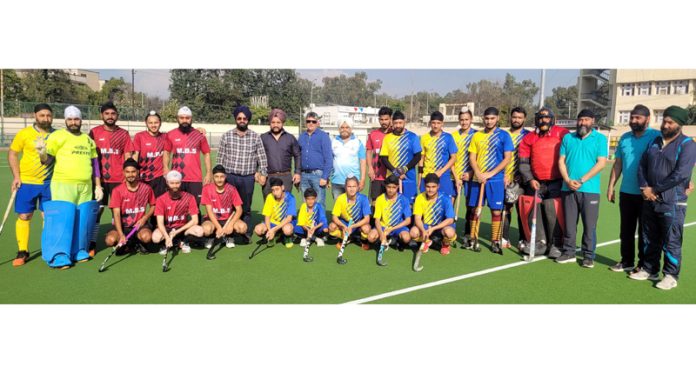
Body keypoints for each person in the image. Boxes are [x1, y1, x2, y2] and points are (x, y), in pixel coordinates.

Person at [631, 105, 696, 290]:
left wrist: (655, 190)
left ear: (680, 125)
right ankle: (649, 269)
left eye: (670, 122)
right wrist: (645, 187)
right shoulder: (655, 142)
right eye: (664, 121)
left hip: (672, 201)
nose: (665, 125)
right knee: (648, 236)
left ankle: (670, 275)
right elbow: (642, 166)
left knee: (671, 240)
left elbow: (681, 174)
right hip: (649, 199)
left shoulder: (688, 145)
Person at [38, 106, 101, 267]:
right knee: (63, 219)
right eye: (70, 119)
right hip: (63, 184)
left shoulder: (88, 140)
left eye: (76, 119)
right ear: (65, 120)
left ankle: (78, 250)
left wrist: (98, 186)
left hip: (85, 186)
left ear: (81, 120)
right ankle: (58, 254)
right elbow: (47, 161)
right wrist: (42, 153)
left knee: (82, 219)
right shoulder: (57, 136)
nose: (73, 122)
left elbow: (95, 164)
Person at [606, 104, 661, 273]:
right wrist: (611, 187)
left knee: (645, 232)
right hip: (627, 192)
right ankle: (627, 261)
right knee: (626, 230)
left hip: (647, 193)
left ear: (647, 119)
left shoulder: (656, 136)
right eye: (632, 117)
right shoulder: (625, 138)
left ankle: (643, 264)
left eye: (638, 117)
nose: (633, 120)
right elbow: (618, 164)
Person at [557, 109, 608, 268]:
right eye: (580, 119)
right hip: (568, 188)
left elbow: (601, 163)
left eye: (586, 119)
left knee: (589, 225)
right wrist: (567, 179)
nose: (582, 123)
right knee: (569, 223)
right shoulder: (568, 138)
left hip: (590, 190)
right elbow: (561, 161)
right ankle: (569, 252)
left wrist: (581, 180)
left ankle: (588, 255)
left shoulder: (599, 139)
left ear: (592, 121)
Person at [518, 107, 570, 257]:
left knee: (552, 210)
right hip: (536, 182)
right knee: (533, 209)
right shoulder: (528, 138)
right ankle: (539, 242)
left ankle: (556, 243)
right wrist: (530, 179)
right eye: (540, 118)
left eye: (546, 118)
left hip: (557, 181)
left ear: (552, 119)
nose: (543, 121)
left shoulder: (563, 134)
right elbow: (523, 163)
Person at [8, 103, 55, 266]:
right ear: (35, 116)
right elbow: (13, 153)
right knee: (24, 216)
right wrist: (16, 176)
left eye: (48, 115)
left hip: (49, 182)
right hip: (27, 182)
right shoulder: (25, 134)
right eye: (42, 115)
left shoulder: (57, 134)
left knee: (48, 216)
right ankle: (23, 251)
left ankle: (49, 248)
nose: (46, 118)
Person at [217, 105, 268, 238]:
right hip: (230, 177)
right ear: (235, 119)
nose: (242, 120)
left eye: (244, 118)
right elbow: (220, 158)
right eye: (239, 118)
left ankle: (245, 232)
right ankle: (229, 232)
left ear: (248, 120)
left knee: (245, 207)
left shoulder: (255, 137)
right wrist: (218, 176)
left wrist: (263, 173)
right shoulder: (227, 136)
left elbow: (261, 157)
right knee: (229, 206)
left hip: (247, 178)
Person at [468, 107, 513, 254]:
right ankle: (473, 238)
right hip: (478, 179)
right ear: (483, 119)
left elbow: (507, 158)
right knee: (475, 210)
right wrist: (479, 173)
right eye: (486, 118)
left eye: (492, 118)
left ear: (497, 119)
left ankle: (495, 241)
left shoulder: (504, 136)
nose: (489, 121)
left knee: (496, 212)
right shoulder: (477, 136)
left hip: (496, 180)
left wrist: (490, 173)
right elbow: (472, 157)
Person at [89, 102, 134, 251]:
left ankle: (121, 239)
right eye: (107, 114)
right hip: (99, 181)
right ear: (101, 115)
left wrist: (126, 178)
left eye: (113, 114)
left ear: (117, 116)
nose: (110, 116)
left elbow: (128, 157)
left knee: (118, 212)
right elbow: (90, 157)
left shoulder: (123, 134)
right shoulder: (94, 132)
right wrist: (95, 181)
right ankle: (92, 242)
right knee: (97, 211)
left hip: (118, 181)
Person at [104, 158, 156, 255]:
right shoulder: (117, 190)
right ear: (123, 172)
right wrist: (121, 234)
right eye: (127, 172)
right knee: (110, 240)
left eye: (133, 172)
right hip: (123, 226)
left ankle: (138, 242)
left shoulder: (146, 188)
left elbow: (153, 205)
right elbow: (116, 215)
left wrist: (145, 217)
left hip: (139, 225)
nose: (130, 175)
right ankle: (129, 243)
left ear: (138, 172)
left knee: (147, 237)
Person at [164, 106, 212, 207]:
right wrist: (165, 168)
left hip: (195, 179)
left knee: (195, 207)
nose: (184, 120)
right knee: (176, 206)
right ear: (177, 118)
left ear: (191, 119)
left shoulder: (199, 135)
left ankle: (196, 223)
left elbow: (206, 154)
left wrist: (208, 173)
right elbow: (167, 153)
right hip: (176, 178)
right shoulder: (170, 134)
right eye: (182, 118)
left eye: (187, 118)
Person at [151, 170, 204, 254]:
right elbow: (160, 223)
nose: (175, 186)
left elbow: (195, 220)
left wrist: (176, 232)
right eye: (172, 183)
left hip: (183, 229)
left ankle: (183, 241)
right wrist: (166, 236)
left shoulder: (189, 197)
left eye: (177, 183)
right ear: (167, 183)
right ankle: (173, 242)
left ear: (181, 183)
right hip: (167, 228)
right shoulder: (161, 199)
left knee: (200, 231)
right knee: (155, 238)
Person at [501, 107, 531, 249]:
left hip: (522, 180)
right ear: (510, 118)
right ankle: (504, 237)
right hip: (504, 178)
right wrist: (502, 174)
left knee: (522, 210)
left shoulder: (529, 136)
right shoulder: (504, 135)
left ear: (524, 119)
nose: (516, 120)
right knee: (506, 209)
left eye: (519, 117)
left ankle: (522, 239)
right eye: (514, 117)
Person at [379, 110, 422, 203]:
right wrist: (396, 172)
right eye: (395, 123)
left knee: (409, 205)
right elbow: (384, 158)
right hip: (392, 178)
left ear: (404, 122)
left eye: (400, 123)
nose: (398, 125)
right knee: (392, 204)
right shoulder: (387, 138)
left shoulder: (413, 137)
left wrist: (404, 169)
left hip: (409, 177)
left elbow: (418, 156)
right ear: (392, 123)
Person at [410, 173, 457, 255]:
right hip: (426, 226)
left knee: (449, 233)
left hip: (441, 227)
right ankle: (427, 241)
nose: (430, 190)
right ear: (424, 186)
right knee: (413, 233)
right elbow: (417, 218)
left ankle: (445, 244)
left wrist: (434, 228)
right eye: (428, 187)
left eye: (433, 187)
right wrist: (423, 230)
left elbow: (450, 219)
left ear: (438, 186)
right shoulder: (420, 198)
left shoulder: (445, 199)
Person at [201, 165, 246, 249]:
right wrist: (218, 227)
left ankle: (229, 236)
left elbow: (239, 210)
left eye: (222, 176)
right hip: (212, 219)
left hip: (228, 219)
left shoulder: (231, 189)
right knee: (206, 229)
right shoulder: (207, 189)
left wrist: (231, 224)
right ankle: (211, 237)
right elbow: (209, 212)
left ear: (225, 177)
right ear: (213, 177)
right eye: (216, 177)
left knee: (242, 228)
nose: (219, 179)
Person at [260, 108, 300, 199]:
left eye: (278, 122)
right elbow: (256, 157)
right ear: (269, 123)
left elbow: (297, 155)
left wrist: (297, 172)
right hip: (268, 177)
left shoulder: (290, 138)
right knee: (269, 207)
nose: (275, 125)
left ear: (282, 123)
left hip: (285, 177)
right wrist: (257, 174)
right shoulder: (263, 138)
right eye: (273, 122)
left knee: (284, 206)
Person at [451, 108, 477, 249]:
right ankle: (448, 233)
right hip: (453, 176)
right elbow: (451, 158)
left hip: (470, 177)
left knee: (470, 207)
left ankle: (468, 235)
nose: (464, 122)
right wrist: (455, 177)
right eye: (461, 120)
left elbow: (479, 158)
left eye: (466, 119)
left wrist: (471, 173)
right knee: (450, 205)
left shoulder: (477, 135)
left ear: (471, 119)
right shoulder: (453, 136)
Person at [132, 110, 171, 197]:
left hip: (159, 177)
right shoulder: (139, 136)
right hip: (143, 177)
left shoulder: (165, 137)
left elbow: (180, 134)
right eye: (150, 123)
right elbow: (135, 156)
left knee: (159, 206)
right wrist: (134, 172)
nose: (153, 125)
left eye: (156, 122)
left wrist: (196, 130)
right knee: (140, 205)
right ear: (146, 123)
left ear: (160, 123)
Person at [419, 111, 457, 198]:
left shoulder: (448, 137)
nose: (435, 126)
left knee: (444, 204)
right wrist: (420, 176)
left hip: (443, 176)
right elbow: (422, 158)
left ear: (442, 123)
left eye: (438, 123)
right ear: (430, 123)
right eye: (433, 123)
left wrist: (441, 171)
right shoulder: (424, 138)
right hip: (427, 175)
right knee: (426, 206)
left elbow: (453, 158)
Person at [368, 175, 412, 248]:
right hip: (383, 226)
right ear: (385, 186)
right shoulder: (380, 199)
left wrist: (391, 229)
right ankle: (384, 240)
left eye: (394, 187)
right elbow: (377, 220)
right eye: (389, 187)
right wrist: (382, 235)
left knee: (406, 238)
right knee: (370, 238)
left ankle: (394, 240)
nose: (391, 190)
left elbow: (408, 221)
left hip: (397, 227)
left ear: (397, 187)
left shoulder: (404, 200)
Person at [298, 111, 332, 207]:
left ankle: (319, 222)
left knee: (319, 202)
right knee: (306, 203)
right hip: (304, 175)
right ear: (306, 122)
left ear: (318, 123)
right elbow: (298, 157)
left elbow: (329, 158)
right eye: (308, 121)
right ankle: (308, 222)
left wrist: (325, 177)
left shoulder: (323, 136)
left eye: (313, 121)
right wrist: (298, 173)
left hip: (318, 175)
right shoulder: (301, 137)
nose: (311, 123)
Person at [328, 176, 372, 250]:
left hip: (358, 224)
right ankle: (344, 238)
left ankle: (363, 240)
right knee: (331, 227)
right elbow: (334, 217)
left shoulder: (363, 198)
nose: (352, 189)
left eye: (354, 186)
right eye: (349, 186)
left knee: (366, 228)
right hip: (345, 223)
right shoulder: (341, 198)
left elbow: (367, 219)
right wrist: (343, 226)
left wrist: (353, 226)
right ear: (345, 187)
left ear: (358, 187)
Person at [254, 177, 297, 248]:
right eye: (273, 190)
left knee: (287, 230)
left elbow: (289, 218)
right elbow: (267, 216)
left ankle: (286, 237)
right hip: (273, 223)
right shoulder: (270, 197)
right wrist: (269, 230)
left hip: (286, 223)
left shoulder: (290, 198)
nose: (275, 192)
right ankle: (274, 236)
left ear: (282, 188)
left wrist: (274, 230)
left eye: (277, 189)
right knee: (258, 229)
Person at [330, 118, 366, 199]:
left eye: (347, 127)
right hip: (336, 181)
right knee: (339, 208)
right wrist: (328, 177)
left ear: (351, 128)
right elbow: (330, 160)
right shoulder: (333, 141)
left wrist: (362, 179)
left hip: (353, 182)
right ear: (339, 129)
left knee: (352, 207)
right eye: (342, 127)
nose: (344, 129)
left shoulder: (358, 142)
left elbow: (362, 161)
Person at [366, 106, 392, 205]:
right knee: (375, 203)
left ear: (390, 119)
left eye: (386, 119)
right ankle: (373, 221)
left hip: (391, 175)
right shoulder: (373, 134)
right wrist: (370, 169)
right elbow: (369, 151)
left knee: (390, 203)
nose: (384, 122)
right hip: (376, 176)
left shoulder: (394, 134)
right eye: (381, 119)